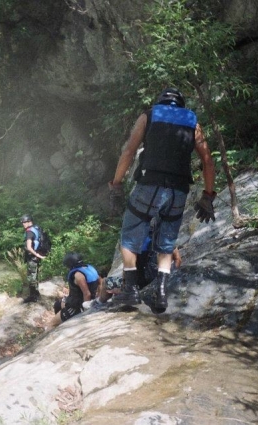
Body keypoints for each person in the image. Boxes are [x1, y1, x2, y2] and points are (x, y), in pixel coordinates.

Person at [108, 87, 216, 311]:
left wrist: (116, 183)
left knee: (129, 235)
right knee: (166, 244)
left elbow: (129, 151)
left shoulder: (149, 115)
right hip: (178, 189)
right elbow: (207, 160)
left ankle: (129, 290)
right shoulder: (192, 122)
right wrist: (208, 195)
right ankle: (161, 294)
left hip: (150, 184)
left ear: (161, 101)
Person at [47, 252, 103, 329]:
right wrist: (99, 298)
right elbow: (101, 283)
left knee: (51, 324)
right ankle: (63, 322)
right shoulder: (90, 268)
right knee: (57, 304)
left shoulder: (78, 275)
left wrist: (86, 311)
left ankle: (59, 327)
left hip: (77, 306)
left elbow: (87, 294)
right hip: (83, 300)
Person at [20, 214, 47, 303]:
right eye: (22, 222)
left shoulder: (29, 232)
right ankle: (36, 294)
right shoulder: (37, 228)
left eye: (24, 222)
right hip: (38, 255)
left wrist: (36, 255)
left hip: (33, 257)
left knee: (31, 277)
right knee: (35, 275)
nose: (23, 224)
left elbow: (29, 247)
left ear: (29, 222)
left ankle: (33, 297)